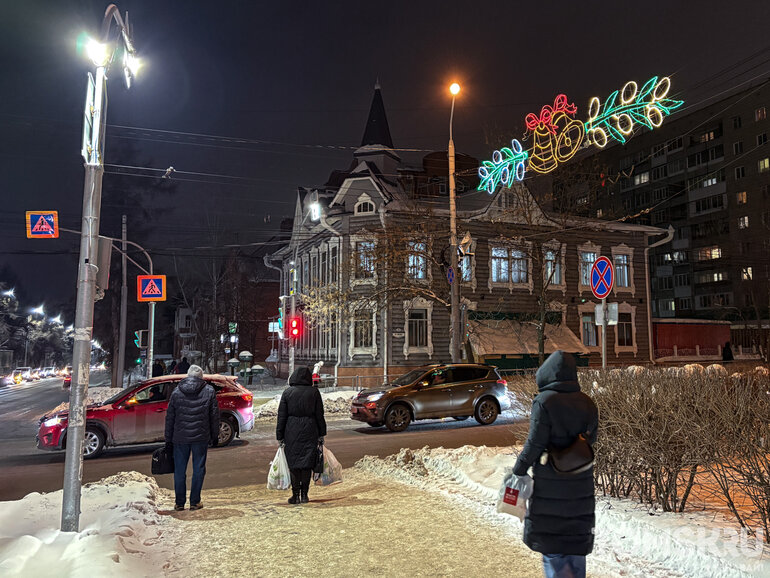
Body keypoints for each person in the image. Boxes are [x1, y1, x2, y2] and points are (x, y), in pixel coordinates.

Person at [512, 351, 599, 578]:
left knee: (553, 548)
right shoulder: (588, 402)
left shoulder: (544, 402)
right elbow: (591, 440)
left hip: (550, 483)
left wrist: (518, 470)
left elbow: (535, 443)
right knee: (574, 546)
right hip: (580, 482)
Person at [164, 364, 220, 511]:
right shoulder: (209, 391)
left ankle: (179, 502)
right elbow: (214, 416)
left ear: (188, 376)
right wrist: (215, 435)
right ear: (201, 377)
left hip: (180, 438)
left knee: (179, 470)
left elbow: (170, 417)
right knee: (198, 469)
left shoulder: (177, 392)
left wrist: (168, 439)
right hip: (200, 437)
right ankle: (195, 501)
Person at [276, 366, 326, 504]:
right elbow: (319, 414)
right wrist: (322, 433)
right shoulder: (314, 392)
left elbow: (281, 416)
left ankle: (295, 495)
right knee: (306, 464)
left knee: (294, 464)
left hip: (291, 431)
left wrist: (279, 435)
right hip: (310, 430)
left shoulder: (287, 393)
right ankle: (304, 495)